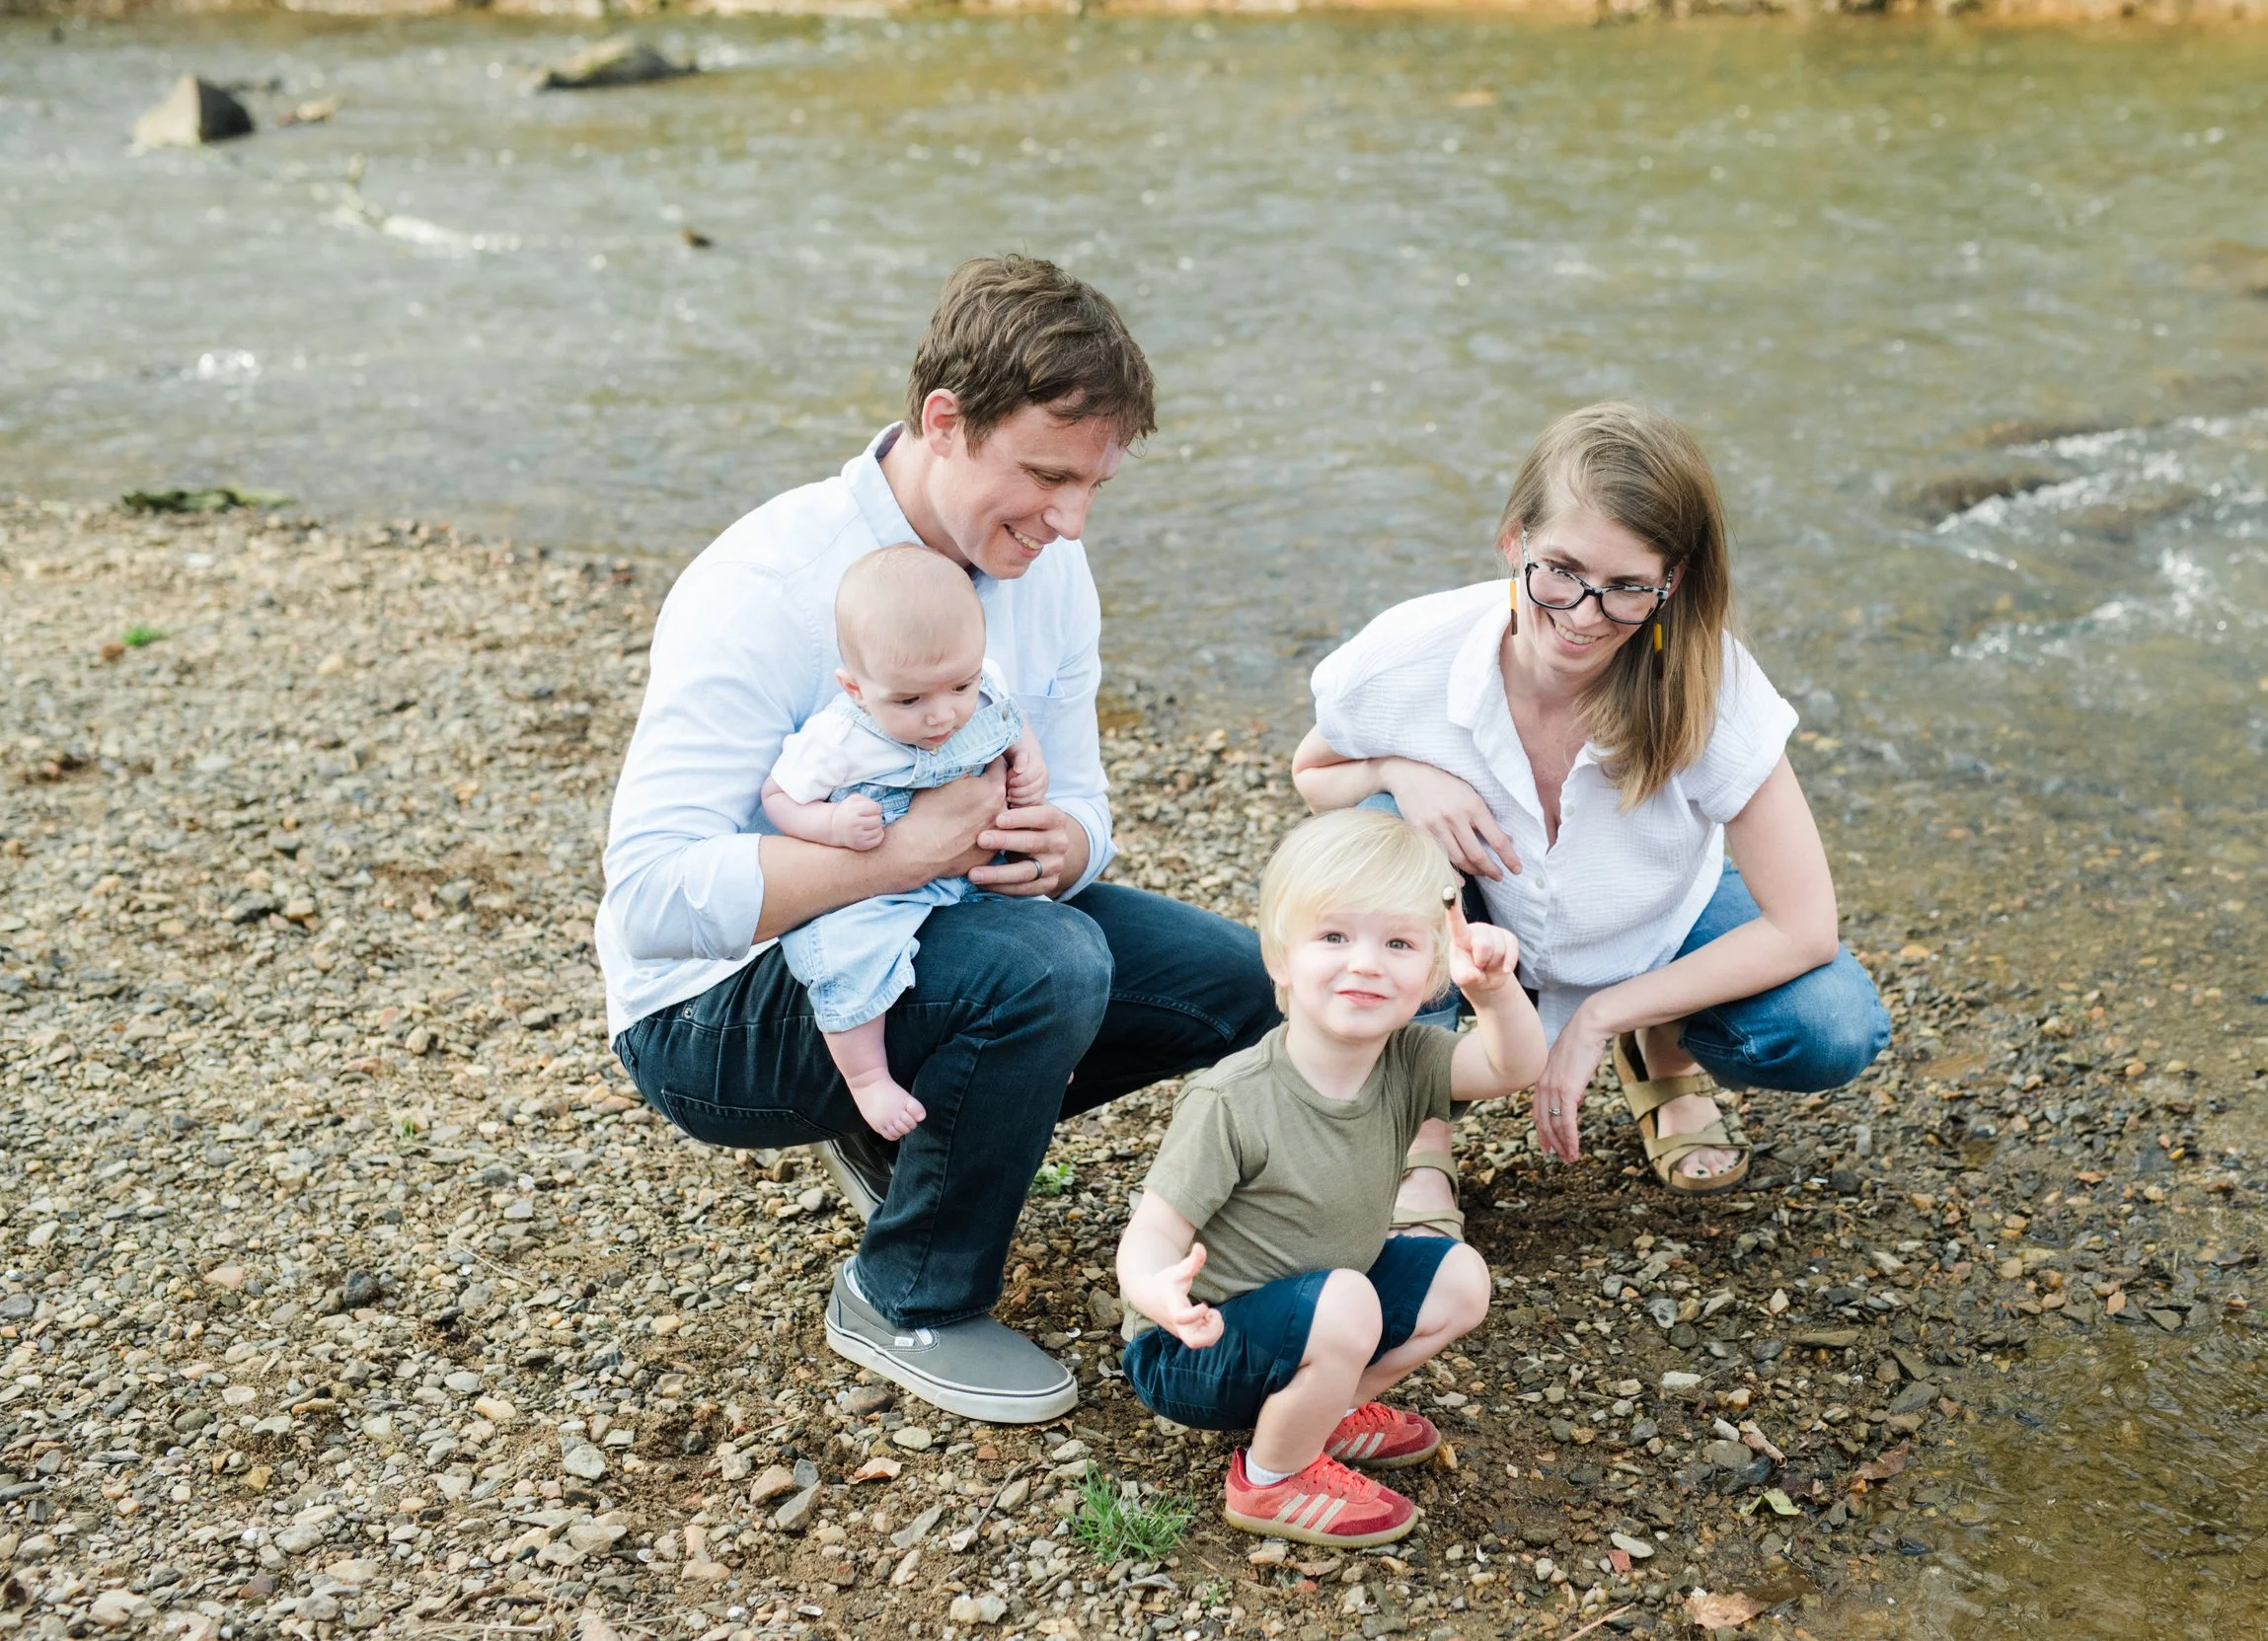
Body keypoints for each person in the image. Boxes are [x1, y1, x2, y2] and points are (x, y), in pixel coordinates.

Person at [597, 256, 1280, 1425]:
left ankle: (925, 1131)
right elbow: (651, 901)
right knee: (1049, 963)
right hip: (713, 1010)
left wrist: (1067, 847)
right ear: (945, 421)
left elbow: (1087, 801)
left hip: (952, 925)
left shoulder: (1047, 565)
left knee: (1257, 984)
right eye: (1046, 476)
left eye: (1094, 485)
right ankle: (907, 1292)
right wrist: (905, 852)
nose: (1070, 520)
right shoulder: (767, 583)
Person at [1291, 402, 1889, 1226]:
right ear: (1515, 541)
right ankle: (1417, 1130)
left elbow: (1806, 926)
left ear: (1671, 581)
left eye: (1626, 589)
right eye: (1562, 571)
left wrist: (1604, 1015)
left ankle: (1661, 1047)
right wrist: (1398, 769)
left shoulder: (1713, 686)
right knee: (1386, 822)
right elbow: (1312, 773)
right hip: (1479, 922)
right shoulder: (1408, 653)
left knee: (1832, 1025)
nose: (1582, 616)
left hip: (1654, 924)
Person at [1113, 808, 1545, 1548]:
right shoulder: (1233, 1098)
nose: (1367, 963)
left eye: (1399, 943)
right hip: (1196, 1347)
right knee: (1346, 1300)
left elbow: (1513, 1067)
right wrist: (1160, 1293)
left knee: (1460, 1278)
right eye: (1335, 936)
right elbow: (1152, 1230)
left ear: (1432, 972)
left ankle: (1326, 1409)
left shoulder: (1407, 1060)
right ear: (1280, 958)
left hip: (1324, 1309)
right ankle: (1273, 1475)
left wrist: (1494, 993)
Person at [760, 545, 1047, 1142]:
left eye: (960, 685)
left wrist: (1029, 760)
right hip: (878, 888)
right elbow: (778, 796)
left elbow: (1010, 721)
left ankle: (1043, 1049)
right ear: (855, 688)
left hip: (974, 871)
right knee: (847, 954)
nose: (942, 715)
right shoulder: (840, 739)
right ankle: (867, 1078)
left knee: (1046, 932)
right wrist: (833, 826)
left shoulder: (983, 686)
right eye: (910, 700)